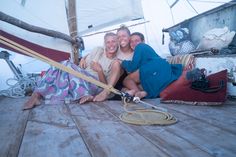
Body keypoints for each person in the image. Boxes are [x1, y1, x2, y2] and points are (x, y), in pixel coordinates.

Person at [23, 32, 120, 110]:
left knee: (66, 64)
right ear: (104, 43)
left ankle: (40, 93)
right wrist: (82, 59)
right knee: (60, 65)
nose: (111, 45)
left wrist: (100, 71)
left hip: (95, 83)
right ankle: (36, 94)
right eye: (108, 42)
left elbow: (105, 86)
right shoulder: (97, 50)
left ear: (117, 42)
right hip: (83, 77)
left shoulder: (115, 62)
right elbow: (84, 62)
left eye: (114, 41)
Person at [121, 32, 183, 99]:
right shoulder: (146, 50)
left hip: (154, 66)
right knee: (129, 87)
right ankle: (142, 93)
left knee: (127, 80)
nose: (134, 43)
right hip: (163, 69)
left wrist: (122, 62)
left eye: (136, 41)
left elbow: (132, 67)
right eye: (131, 42)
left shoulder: (140, 46)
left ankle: (137, 93)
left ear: (143, 41)